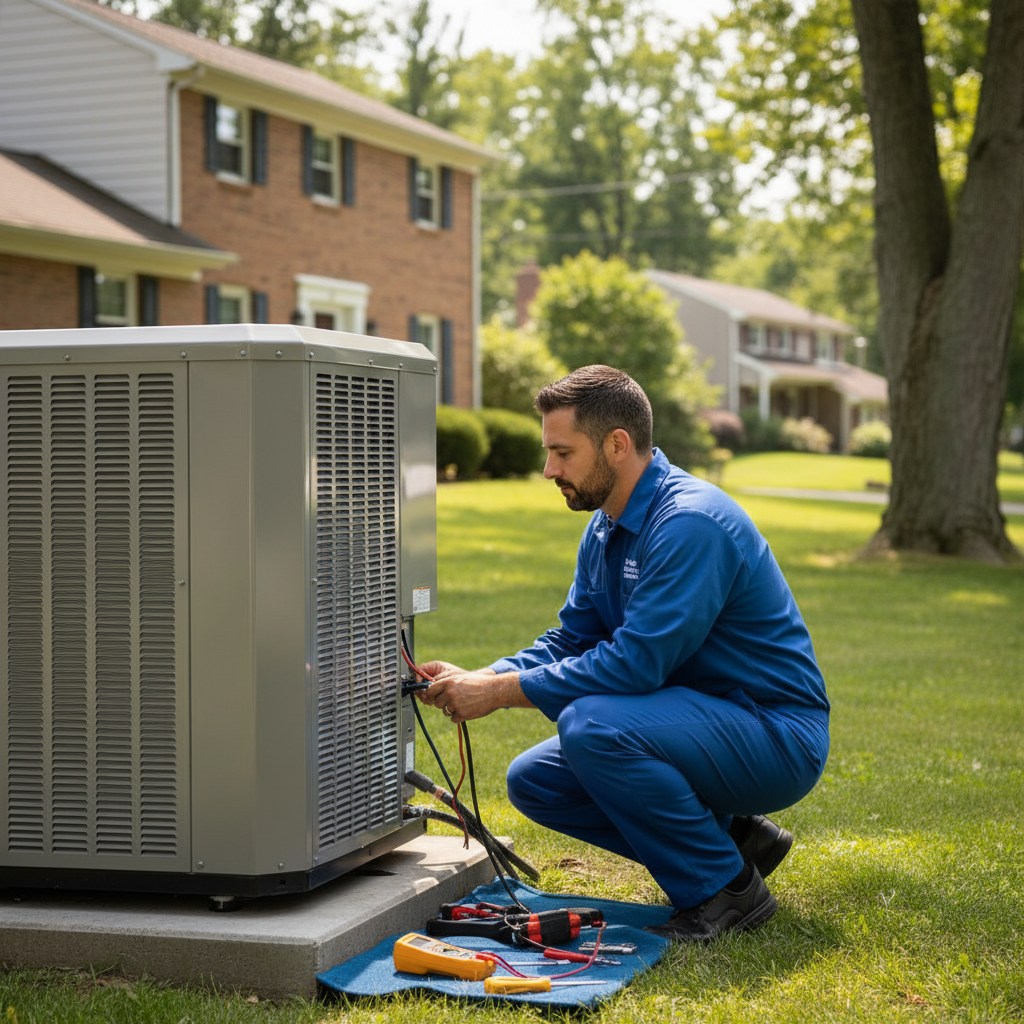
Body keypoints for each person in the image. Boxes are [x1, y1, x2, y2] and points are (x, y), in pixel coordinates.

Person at [417, 365, 829, 941]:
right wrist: (485, 674)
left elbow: (635, 665)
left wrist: (498, 694)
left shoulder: (688, 523)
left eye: (562, 452)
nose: (548, 469)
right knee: (535, 779)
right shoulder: (607, 525)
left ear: (617, 444)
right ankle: (735, 841)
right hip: (700, 720)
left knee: (593, 726)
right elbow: (572, 639)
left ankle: (726, 891)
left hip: (775, 734)